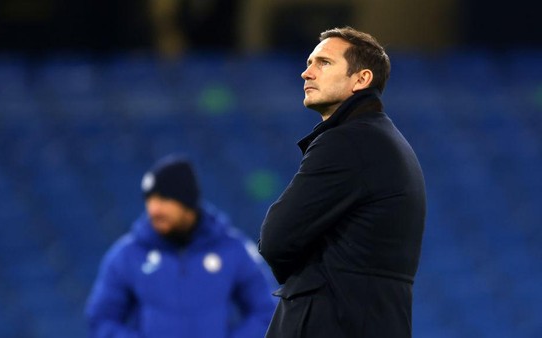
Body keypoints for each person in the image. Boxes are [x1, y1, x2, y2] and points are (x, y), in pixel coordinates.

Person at [258, 26, 426, 337]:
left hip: (333, 321)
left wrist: (299, 272)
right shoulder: (384, 140)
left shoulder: (347, 142)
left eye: (323, 63)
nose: (306, 73)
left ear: (361, 79)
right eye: (309, 62)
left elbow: (275, 239)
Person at [86, 155, 275, 338]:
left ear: (188, 203)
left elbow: (268, 311)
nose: (154, 209)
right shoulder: (127, 254)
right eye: (149, 200)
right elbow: (101, 320)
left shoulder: (233, 249)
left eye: (164, 199)